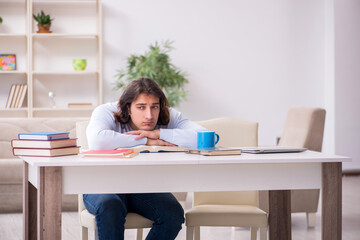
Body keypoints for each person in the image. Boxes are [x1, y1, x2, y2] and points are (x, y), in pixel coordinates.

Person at [84, 77, 206, 240]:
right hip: (101, 184)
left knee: (173, 214)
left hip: (140, 186)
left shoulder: (167, 115)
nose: (149, 115)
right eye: (141, 107)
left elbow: (206, 138)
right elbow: (98, 141)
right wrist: (146, 140)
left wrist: (158, 133)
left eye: (154, 107)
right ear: (128, 108)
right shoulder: (106, 111)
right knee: (110, 205)